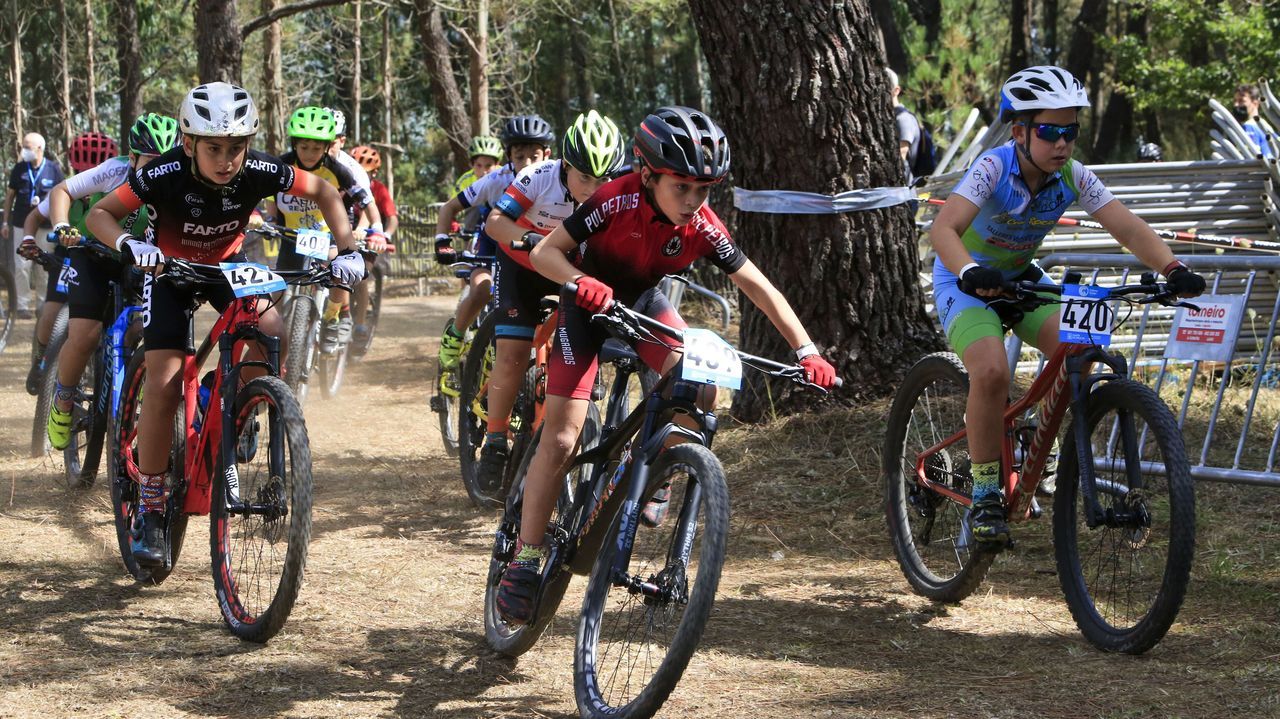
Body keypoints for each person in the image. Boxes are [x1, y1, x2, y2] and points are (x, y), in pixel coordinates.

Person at [493, 106, 838, 625]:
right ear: (649, 175)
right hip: (584, 308)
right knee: (563, 439)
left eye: (705, 190)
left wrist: (806, 349)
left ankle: (655, 474)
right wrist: (579, 281)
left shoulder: (702, 224)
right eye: (683, 188)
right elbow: (545, 253)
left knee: (700, 387)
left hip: (642, 303)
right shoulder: (614, 199)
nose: (694, 202)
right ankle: (525, 556)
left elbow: (758, 286)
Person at [86, 82, 365, 567]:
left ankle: (229, 396)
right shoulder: (165, 173)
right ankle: (151, 505)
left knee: (272, 334)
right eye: (213, 148)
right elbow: (100, 213)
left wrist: (348, 249)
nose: (226, 159)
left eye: (236, 148)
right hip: (167, 270)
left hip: (227, 266)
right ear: (189, 143)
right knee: (167, 383)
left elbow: (323, 190)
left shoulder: (259, 169)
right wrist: (131, 247)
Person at [928, 66, 1206, 550]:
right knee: (992, 372)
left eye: (1070, 132)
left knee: (1079, 348)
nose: (1062, 143)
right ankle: (987, 492)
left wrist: (1172, 268)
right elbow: (943, 231)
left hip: (1020, 279)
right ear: (1019, 131)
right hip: (965, 280)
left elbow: (1128, 227)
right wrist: (971, 272)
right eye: (1049, 132)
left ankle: (1045, 453)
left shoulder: (1073, 175)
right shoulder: (994, 168)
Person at [474, 110, 625, 491]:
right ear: (565, 164)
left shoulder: (618, 191)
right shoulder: (539, 175)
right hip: (522, 267)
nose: (593, 188)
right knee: (512, 353)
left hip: (573, 271)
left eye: (603, 179)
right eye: (584, 177)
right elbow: (495, 223)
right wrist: (525, 239)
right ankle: (494, 440)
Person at [32, 116, 178, 449]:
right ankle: (64, 400)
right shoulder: (113, 170)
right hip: (93, 254)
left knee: (152, 330)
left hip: (140, 262)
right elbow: (62, 190)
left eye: (165, 162)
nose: (157, 170)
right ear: (133, 157)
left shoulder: (177, 181)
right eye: (149, 162)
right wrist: (61, 225)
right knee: (84, 334)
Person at [432, 115, 555, 374]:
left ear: (548, 154)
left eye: (534, 157)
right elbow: (450, 207)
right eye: (520, 157)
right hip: (494, 243)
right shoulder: (496, 179)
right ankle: (454, 338)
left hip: (535, 246)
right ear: (509, 156)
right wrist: (442, 241)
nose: (527, 164)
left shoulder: (557, 178)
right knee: (481, 289)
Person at [265, 106, 378, 355]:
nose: (309, 154)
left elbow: (367, 203)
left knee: (337, 263)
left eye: (317, 148)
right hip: (291, 236)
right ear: (294, 144)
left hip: (325, 236)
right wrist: (260, 218)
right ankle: (270, 339)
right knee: (276, 290)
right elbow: (263, 196)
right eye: (304, 147)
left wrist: (376, 228)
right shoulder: (281, 165)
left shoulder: (338, 171)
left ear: (327, 147)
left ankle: (332, 317)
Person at [17, 131, 116, 395]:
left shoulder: (116, 190)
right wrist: (28, 240)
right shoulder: (63, 190)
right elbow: (32, 219)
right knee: (50, 311)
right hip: (67, 258)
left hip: (105, 258)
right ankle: (40, 359)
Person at [4, 132, 65, 317]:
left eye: (27, 147)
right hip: (21, 224)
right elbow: (9, 197)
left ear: (39, 148)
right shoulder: (19, 168)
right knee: (21, 265)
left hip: (46, 226)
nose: (24, 151)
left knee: (43, 266)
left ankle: (41, 305)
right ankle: (21, 306)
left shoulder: (54, 169)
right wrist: (5, 222)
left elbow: (63, 196)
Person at [348, 144, 398, 353]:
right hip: (345, 234)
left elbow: (392, 218)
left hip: (369, 237)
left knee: (361, 277)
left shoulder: (379, 189)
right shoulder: (344, 183)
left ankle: (359, 323)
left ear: (374, 173)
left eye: (364, 172)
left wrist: (384, 235)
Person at [1232, 83, 1273, 158]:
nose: (1236, 105)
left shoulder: (1249, 126)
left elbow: (1249, 158)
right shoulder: (1267, 126)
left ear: (1255, 103)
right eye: (1235, 101)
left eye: (1241, 101)